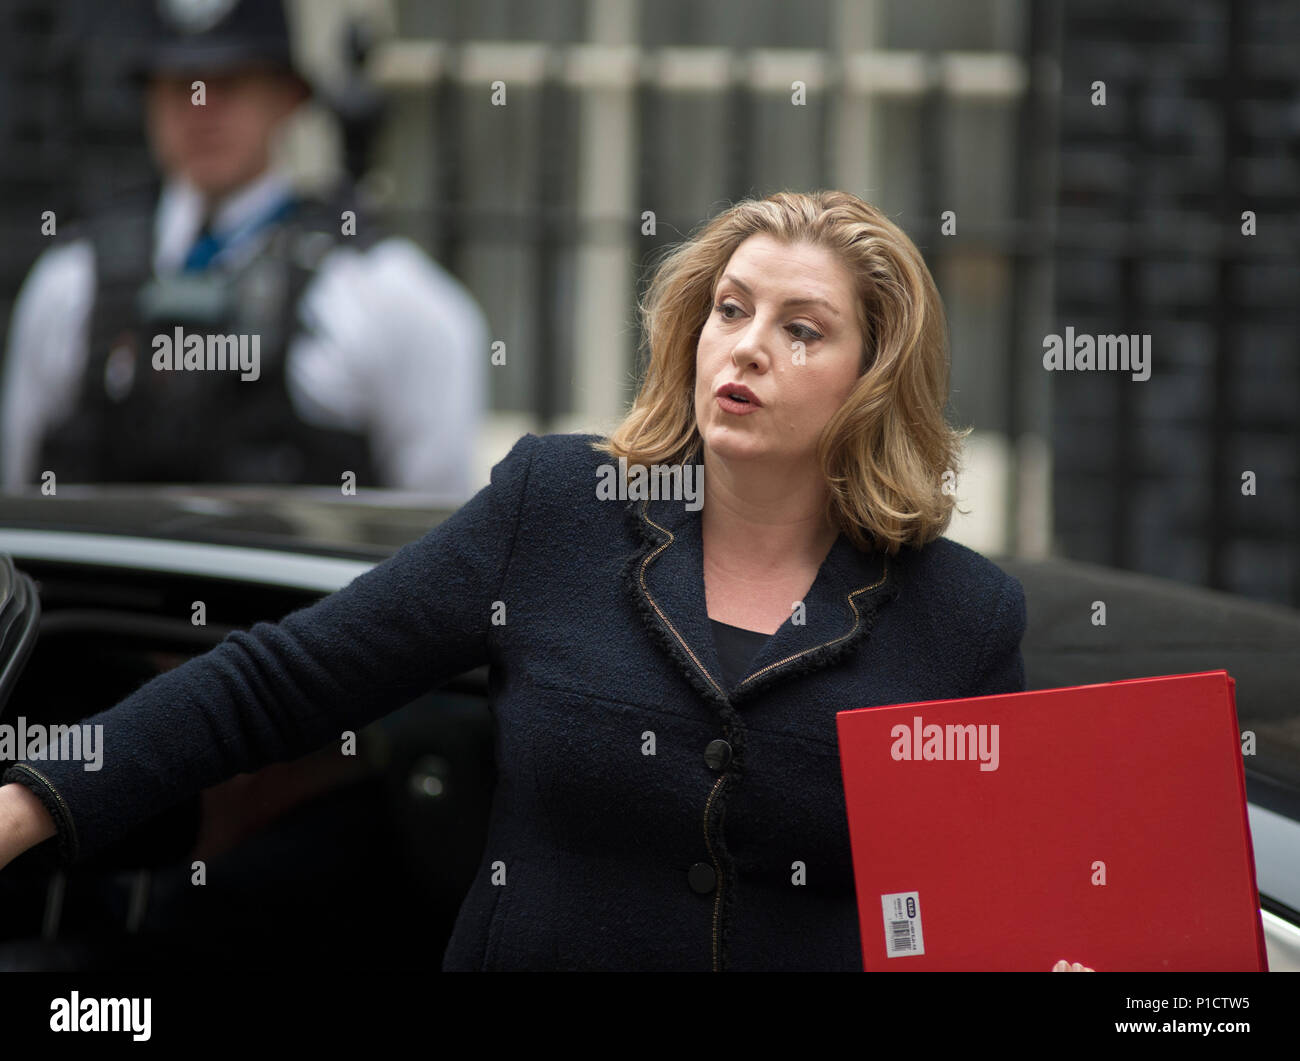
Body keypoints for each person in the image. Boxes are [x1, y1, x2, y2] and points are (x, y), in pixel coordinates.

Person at [0, 190, 1087, 971]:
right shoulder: (560, 509)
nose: (744, 347)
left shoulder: (960, 615)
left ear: (873, 380)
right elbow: (279, 680)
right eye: (730, 308)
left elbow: (983, 916)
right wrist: (34, 797)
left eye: (800, 330)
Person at [0, 0, 484, 497]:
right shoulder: (70, 285)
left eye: (229, 84)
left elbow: (428, 526)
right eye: (177, 85)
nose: (201, 107)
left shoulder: (382, 295)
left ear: (287, 98)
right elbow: (25, 505)